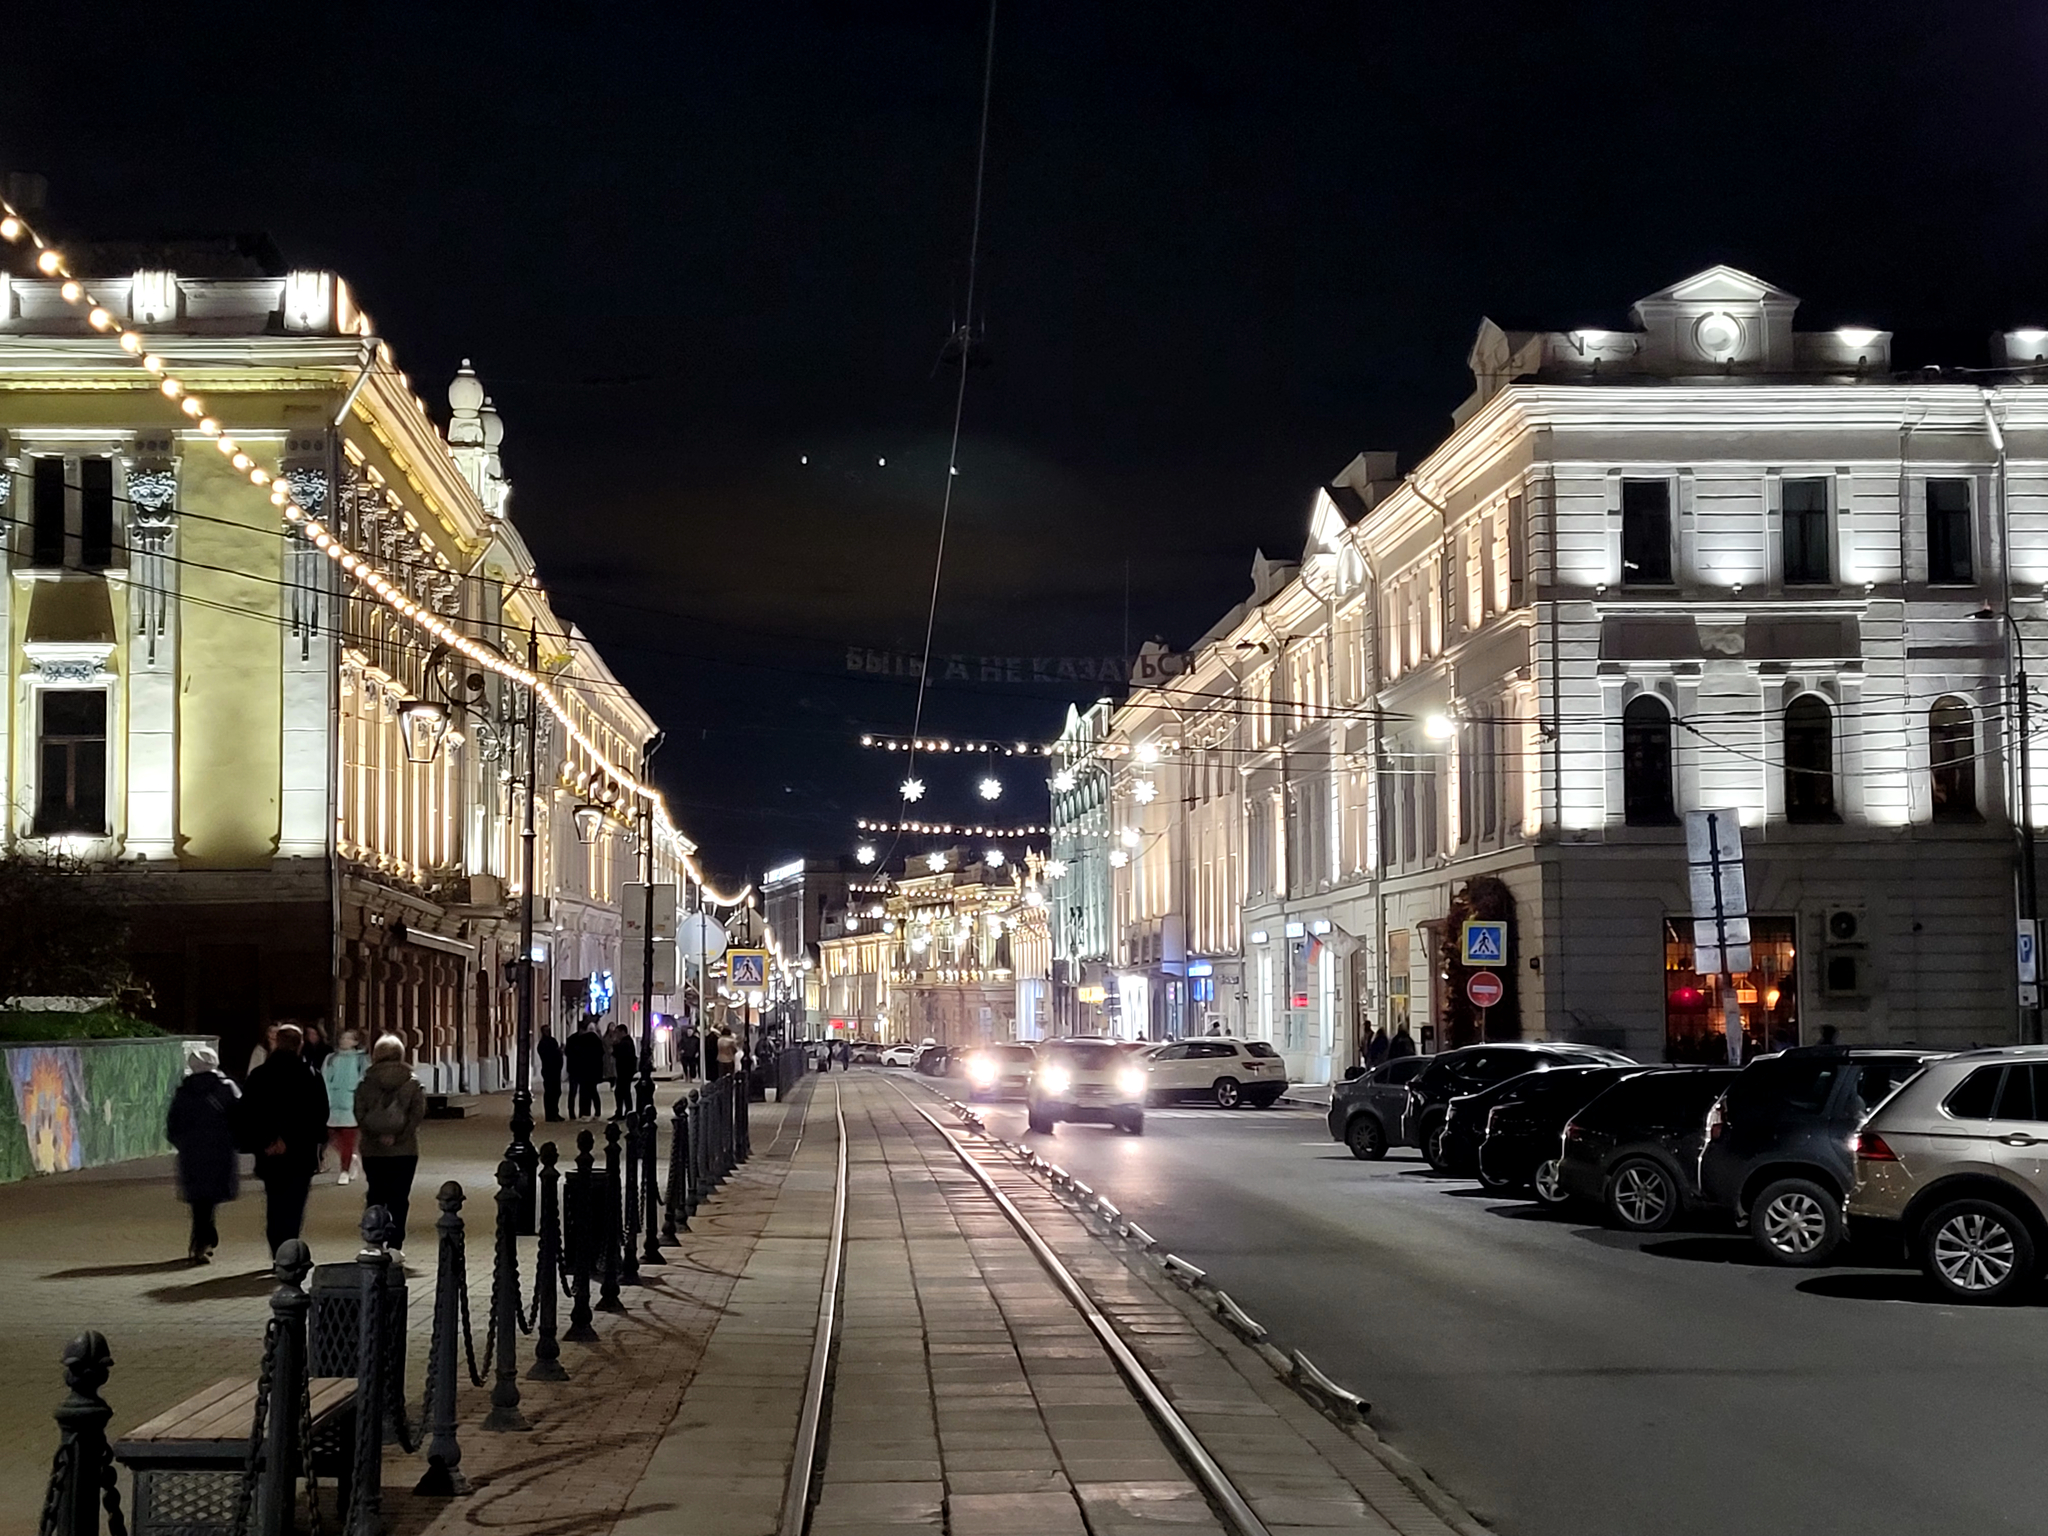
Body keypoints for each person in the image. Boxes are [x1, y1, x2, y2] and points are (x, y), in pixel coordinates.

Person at [239, 1024, 329, 1256]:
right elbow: (319, 1114)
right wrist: (310, 1143)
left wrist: (268, 1139)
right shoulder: (309, 1075)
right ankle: (289, 1247)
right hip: (301, 1150)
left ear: (276, 1043)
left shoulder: (259, 1075)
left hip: (269, 1151)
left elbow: (248, 1112)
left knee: (274, 1201)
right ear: (300, 1044)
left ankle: (277, 1248)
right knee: (295, 1202)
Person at [166, 1045, 240, 1264]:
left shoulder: (183, 1091)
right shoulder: (227, 1088)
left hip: (191, 1153)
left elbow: (173, 1125)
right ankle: (204, 1239)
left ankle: (202, 1239)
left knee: (199, 1200)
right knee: (210, 1198)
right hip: (220, 1151)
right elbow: (239, 1117)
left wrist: (184, 1144)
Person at [354, 1035, 428, 1250]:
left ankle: (373, 1239)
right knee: (399, 1197)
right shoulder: (412, 1083)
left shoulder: (366, 1083)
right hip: (404, 1151)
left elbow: (359, 1114)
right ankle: (395, 1245)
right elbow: (417, 1115)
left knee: (376, 1193)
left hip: (373, 1151)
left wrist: (376, 1137)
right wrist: (398, 1137)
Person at [321, 1030, 368, 1184]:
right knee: (331, 1136)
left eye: (348, 1038)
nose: (344, 1040)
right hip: (331, 1102)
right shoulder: (331, 1058)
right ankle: (349, 1157)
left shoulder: (361, 1060)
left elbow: (364, 1081)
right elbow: (324, 1077)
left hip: (351, 1102)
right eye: (342, 1037)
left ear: (355, 1042)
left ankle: (344, 1170)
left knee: (348, 1138)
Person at [565, 1020, 606, 1120]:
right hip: (582, 1070)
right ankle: (584, 1113)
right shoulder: (588, 1039)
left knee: (586, 1092)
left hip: (584, 1070)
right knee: (585, 1092)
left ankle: (585, 1112)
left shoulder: (584, 1039)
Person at [608, 1021, 637, 1116]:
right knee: (623, 1092)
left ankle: (624, 1112)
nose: (616, 1034)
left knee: (622, 1092)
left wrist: (614, 1046)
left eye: (617, 1032)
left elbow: (619, 1055)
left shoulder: (625, 1042)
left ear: (622, 1032)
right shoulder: (628, 1041)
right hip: (625, 1071)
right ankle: (624, 1111)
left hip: (624, 1071)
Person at [538, 1026, 564, 1122]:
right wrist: (558, 1052)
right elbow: (548, 1056)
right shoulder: (543, 1044)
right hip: (549, 1071)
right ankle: (550, 1114)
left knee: (556, 1092)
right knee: (550, 1093)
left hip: (555, 1071)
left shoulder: (552, 1041)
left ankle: (555, 1112)